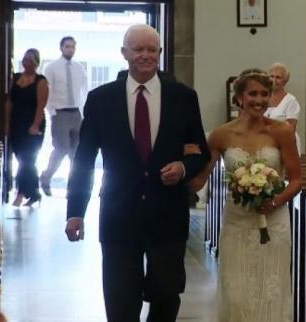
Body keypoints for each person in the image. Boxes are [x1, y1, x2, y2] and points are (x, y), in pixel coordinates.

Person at [64, 24, 210, 322]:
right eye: (138, 49)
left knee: (167, 295)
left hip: (167, 214)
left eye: (151, 50)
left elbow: (201, 152)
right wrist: (75, 211)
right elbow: (84, 159)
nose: (145, 55)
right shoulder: (101, 98)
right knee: (120, 299)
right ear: (124, 53)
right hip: (119, 213)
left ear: (159, 53)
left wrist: (183, 168)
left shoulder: (183, 97)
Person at [189, 68, 302, 321]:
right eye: (253, 94)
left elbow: (296, 180)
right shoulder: (221, 134)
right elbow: (199, 178)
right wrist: (179, 172)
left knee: (271, 288)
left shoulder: (282, 131)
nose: (259, 100)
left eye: (264, 94)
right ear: (239, 97)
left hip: (273, 222)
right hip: (237, 221)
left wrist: (274, 201)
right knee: (236, 290)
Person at [40, 36, 88, 196]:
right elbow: (46, 91)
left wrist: (84, 110)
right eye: (67, 46)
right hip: (60, 113)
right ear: (61, 48)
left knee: (77, 152)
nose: (70, 49)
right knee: (61, 149)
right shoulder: (52, 67)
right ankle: (46, 178)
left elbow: (84, 89)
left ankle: (72, 187)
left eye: (73, 47)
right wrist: (51, 112)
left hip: (76, 113)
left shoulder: (79, 68)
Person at [5, 48, 48, 207]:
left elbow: (40, 106)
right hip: (17, 123)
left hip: (33, 125)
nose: (26, 62)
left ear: (36, 63)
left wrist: (35, 125)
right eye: (25, 59)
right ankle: (34, 193)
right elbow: (9, 102)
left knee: (27, 159)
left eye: (30, 60)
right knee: (22, 159)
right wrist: (7, 124)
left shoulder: (41, 81)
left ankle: (21, 193)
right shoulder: (15, 78)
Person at [265, 62, 302, 155]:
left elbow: (291, 128)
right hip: (264, 144)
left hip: (285, 144)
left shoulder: (291, 100)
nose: (274, 80)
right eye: (271, 76)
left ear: (285, 81)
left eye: (278, 77)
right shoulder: (262, 98)